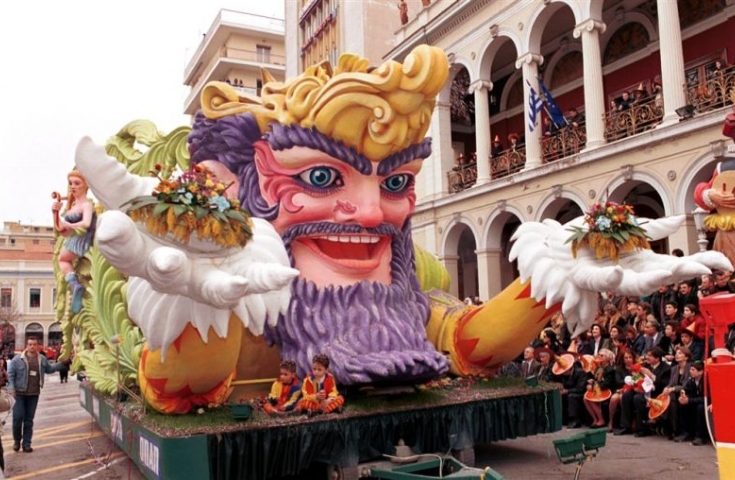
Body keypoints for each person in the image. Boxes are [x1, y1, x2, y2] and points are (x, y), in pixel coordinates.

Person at [7, 336, 64, 452]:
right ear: (26, 345)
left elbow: (50, 369)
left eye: (34, 344)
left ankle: (26, 444)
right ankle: (17, 440)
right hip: (19, 394)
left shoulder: (42, 359)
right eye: (30, 344)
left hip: (33, 394)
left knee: (29, 420)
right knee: (17, 418)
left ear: (38, 346)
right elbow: (11, 375)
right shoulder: (17, 360)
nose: (32, 346)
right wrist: (11, 389)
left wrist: (62, 363)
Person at [52, 170, 95, 314]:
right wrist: (55, 213)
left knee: (63, 259)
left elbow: (86, 223)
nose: (73, 186)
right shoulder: (74, 206)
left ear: (86, 185)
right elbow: (62, 230)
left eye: (77, 183)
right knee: (62, 259)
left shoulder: (86, 205)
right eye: (71, 183)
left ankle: (75, 284)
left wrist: (70, 225)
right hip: (72, 238)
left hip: (82, 240)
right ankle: (75, 285)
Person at [615, 346, 671, 437]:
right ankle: (626, 426)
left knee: (638, 398)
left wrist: (651, 375)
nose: (647, 357)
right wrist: (633, 384)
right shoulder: (644, 365)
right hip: (641, 389)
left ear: (657, 358)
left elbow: (664, 384)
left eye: (650, 356)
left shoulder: (666, 368)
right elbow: (638, 377)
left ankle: (642, 428)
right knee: (626, 395)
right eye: (647, 355)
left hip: (656, 392)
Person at [662, 346, 693, 439]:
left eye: (680, 353)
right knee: (669, 396)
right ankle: (674, 428)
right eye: (676, 353)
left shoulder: (691, 367)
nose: (676, 355)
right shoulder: (674, 368)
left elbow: (686, 385)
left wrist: (673, 389)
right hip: (675, 393)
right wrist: (666, 388)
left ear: (686, 357)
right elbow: (671, 382)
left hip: (687, 392)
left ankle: (673, 428)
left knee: (671, 396)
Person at [675, 361, 707, 445]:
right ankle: (685, 432)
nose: (690, 371)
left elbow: (707, 398)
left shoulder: (706, 381)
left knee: (700, 408)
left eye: (693, 370)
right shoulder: (691, 380)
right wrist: (683, 397)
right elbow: (686, 391)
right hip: (695, 401)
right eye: (690, 369)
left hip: (706, 403)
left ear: (701, 371)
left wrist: (689, 400)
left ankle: (700, 436)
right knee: (683, 405)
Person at [583, 349, 616, 428]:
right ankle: (595, 419)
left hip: (607, 390)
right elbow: (597, 380)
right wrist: (592, 381)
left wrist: (593, 386)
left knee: (591, 399)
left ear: (607, 358)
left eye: (602, 356)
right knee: (585, 398)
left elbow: (606, 384)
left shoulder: (610, 369)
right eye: (599, 355)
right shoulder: (598, 368)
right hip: (599, 389)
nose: (599, 357)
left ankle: (601, 420)